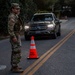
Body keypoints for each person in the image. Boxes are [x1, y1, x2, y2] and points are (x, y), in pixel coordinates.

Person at [8, 3, 23, 73]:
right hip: (15, 35)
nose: (18, 10)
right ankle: (14, 67)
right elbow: (10, 28)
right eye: (16, 9)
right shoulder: (12, 17)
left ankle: (15, 65)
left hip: (17, 34)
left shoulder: (15, 16)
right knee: (17, 51)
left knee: (16, 51)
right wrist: (13, 36)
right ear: (12, 9)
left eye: (18, 9)